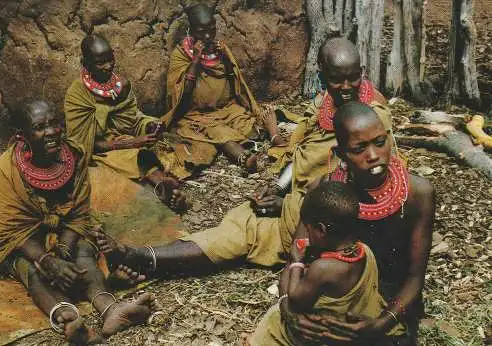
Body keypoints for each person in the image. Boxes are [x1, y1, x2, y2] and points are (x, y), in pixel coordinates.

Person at [94, 102, 434, 345]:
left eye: (380, 142)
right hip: (333, 295)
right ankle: (146, 257)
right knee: (244, 237)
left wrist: (380, 324)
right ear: (341, 153)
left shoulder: (418, 193)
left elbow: (414, 278)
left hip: (389, 305)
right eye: (360, 148)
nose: (374, 155)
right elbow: (299, 252)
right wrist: (290, 306)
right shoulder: (326, 191)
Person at [0, 100, 158, 344]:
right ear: (22, 136)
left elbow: (79, 213)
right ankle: (69, 320)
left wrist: (63, 251)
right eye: (39, 127)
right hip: (25, 243)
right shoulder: (6, 171)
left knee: (84, 252)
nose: (50, 133)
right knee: (32, 269)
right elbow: (7, 230)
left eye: (54, 124)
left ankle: (112, 310)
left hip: (66, 233)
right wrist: (46, 260)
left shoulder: (75, 154)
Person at [250, 181, 406, 345]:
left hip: (320, 335)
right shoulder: (364, 251)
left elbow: (295, 301)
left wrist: (297, 262)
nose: (307, 235)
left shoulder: (323, 268)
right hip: (348, 331)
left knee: (273, 320)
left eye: (308, 230)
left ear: (322, 230)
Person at [159, 3, 286, 176]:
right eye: (202, 31)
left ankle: (273, 137)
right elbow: (181, 93)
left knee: (251, 123)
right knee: (218, 133)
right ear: (192, 30)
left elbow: (235, 82)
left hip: (227, 109)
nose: (208, 35)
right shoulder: (181, 54)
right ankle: (243, 157)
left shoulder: (220, 48)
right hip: (197, 116)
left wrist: (226, 58)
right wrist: (196, 58)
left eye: (212, 29)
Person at [64, 34, 186, 210]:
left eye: (110, 60)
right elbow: (82, 145)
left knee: (154, 153)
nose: (108, 67)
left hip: (127, 143)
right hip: (99, 153)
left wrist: (149, 125)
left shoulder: (121, 85)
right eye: (100, 63)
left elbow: (133, 119)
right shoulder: (77, 95)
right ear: (86, 63)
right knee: (127, 162)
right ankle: (161, 194)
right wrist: (130, 143)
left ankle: (165, 189)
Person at [267, 37, 392, 197]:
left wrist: (294, 203)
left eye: (353, 77)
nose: (346, 87)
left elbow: (373, 168)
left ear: (361, 72)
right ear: (322, 76)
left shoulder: (375, 111)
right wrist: (278, 187)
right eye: (336, 79)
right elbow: (304, 151)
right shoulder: (323, 102)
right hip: (306, 186)